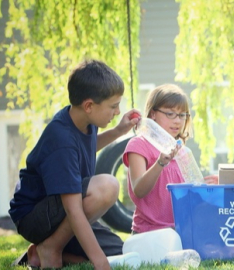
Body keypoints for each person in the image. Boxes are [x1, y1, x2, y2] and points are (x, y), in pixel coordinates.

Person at [8, 59, 142, 269]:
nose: (117, 112)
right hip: (34, 215)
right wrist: (101, 264)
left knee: (119, 250)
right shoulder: (61, 139)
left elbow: (85, 147)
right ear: (89, 105)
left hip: (60, 212)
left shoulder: (84, 121)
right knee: (107, 186)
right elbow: (73, 210)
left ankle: (39, 252)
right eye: (113, 106)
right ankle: (51, 248)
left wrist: (118, 131)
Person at [123, 84, 217, 234]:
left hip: (181, 230)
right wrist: (160, 163)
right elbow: (139, 190)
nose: (177, 121)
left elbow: (190, 197)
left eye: (182, 115)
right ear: (153, 114)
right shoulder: (139, 144)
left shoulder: (183, 152)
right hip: (149, 233)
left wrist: (208, 186)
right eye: (170, 114)